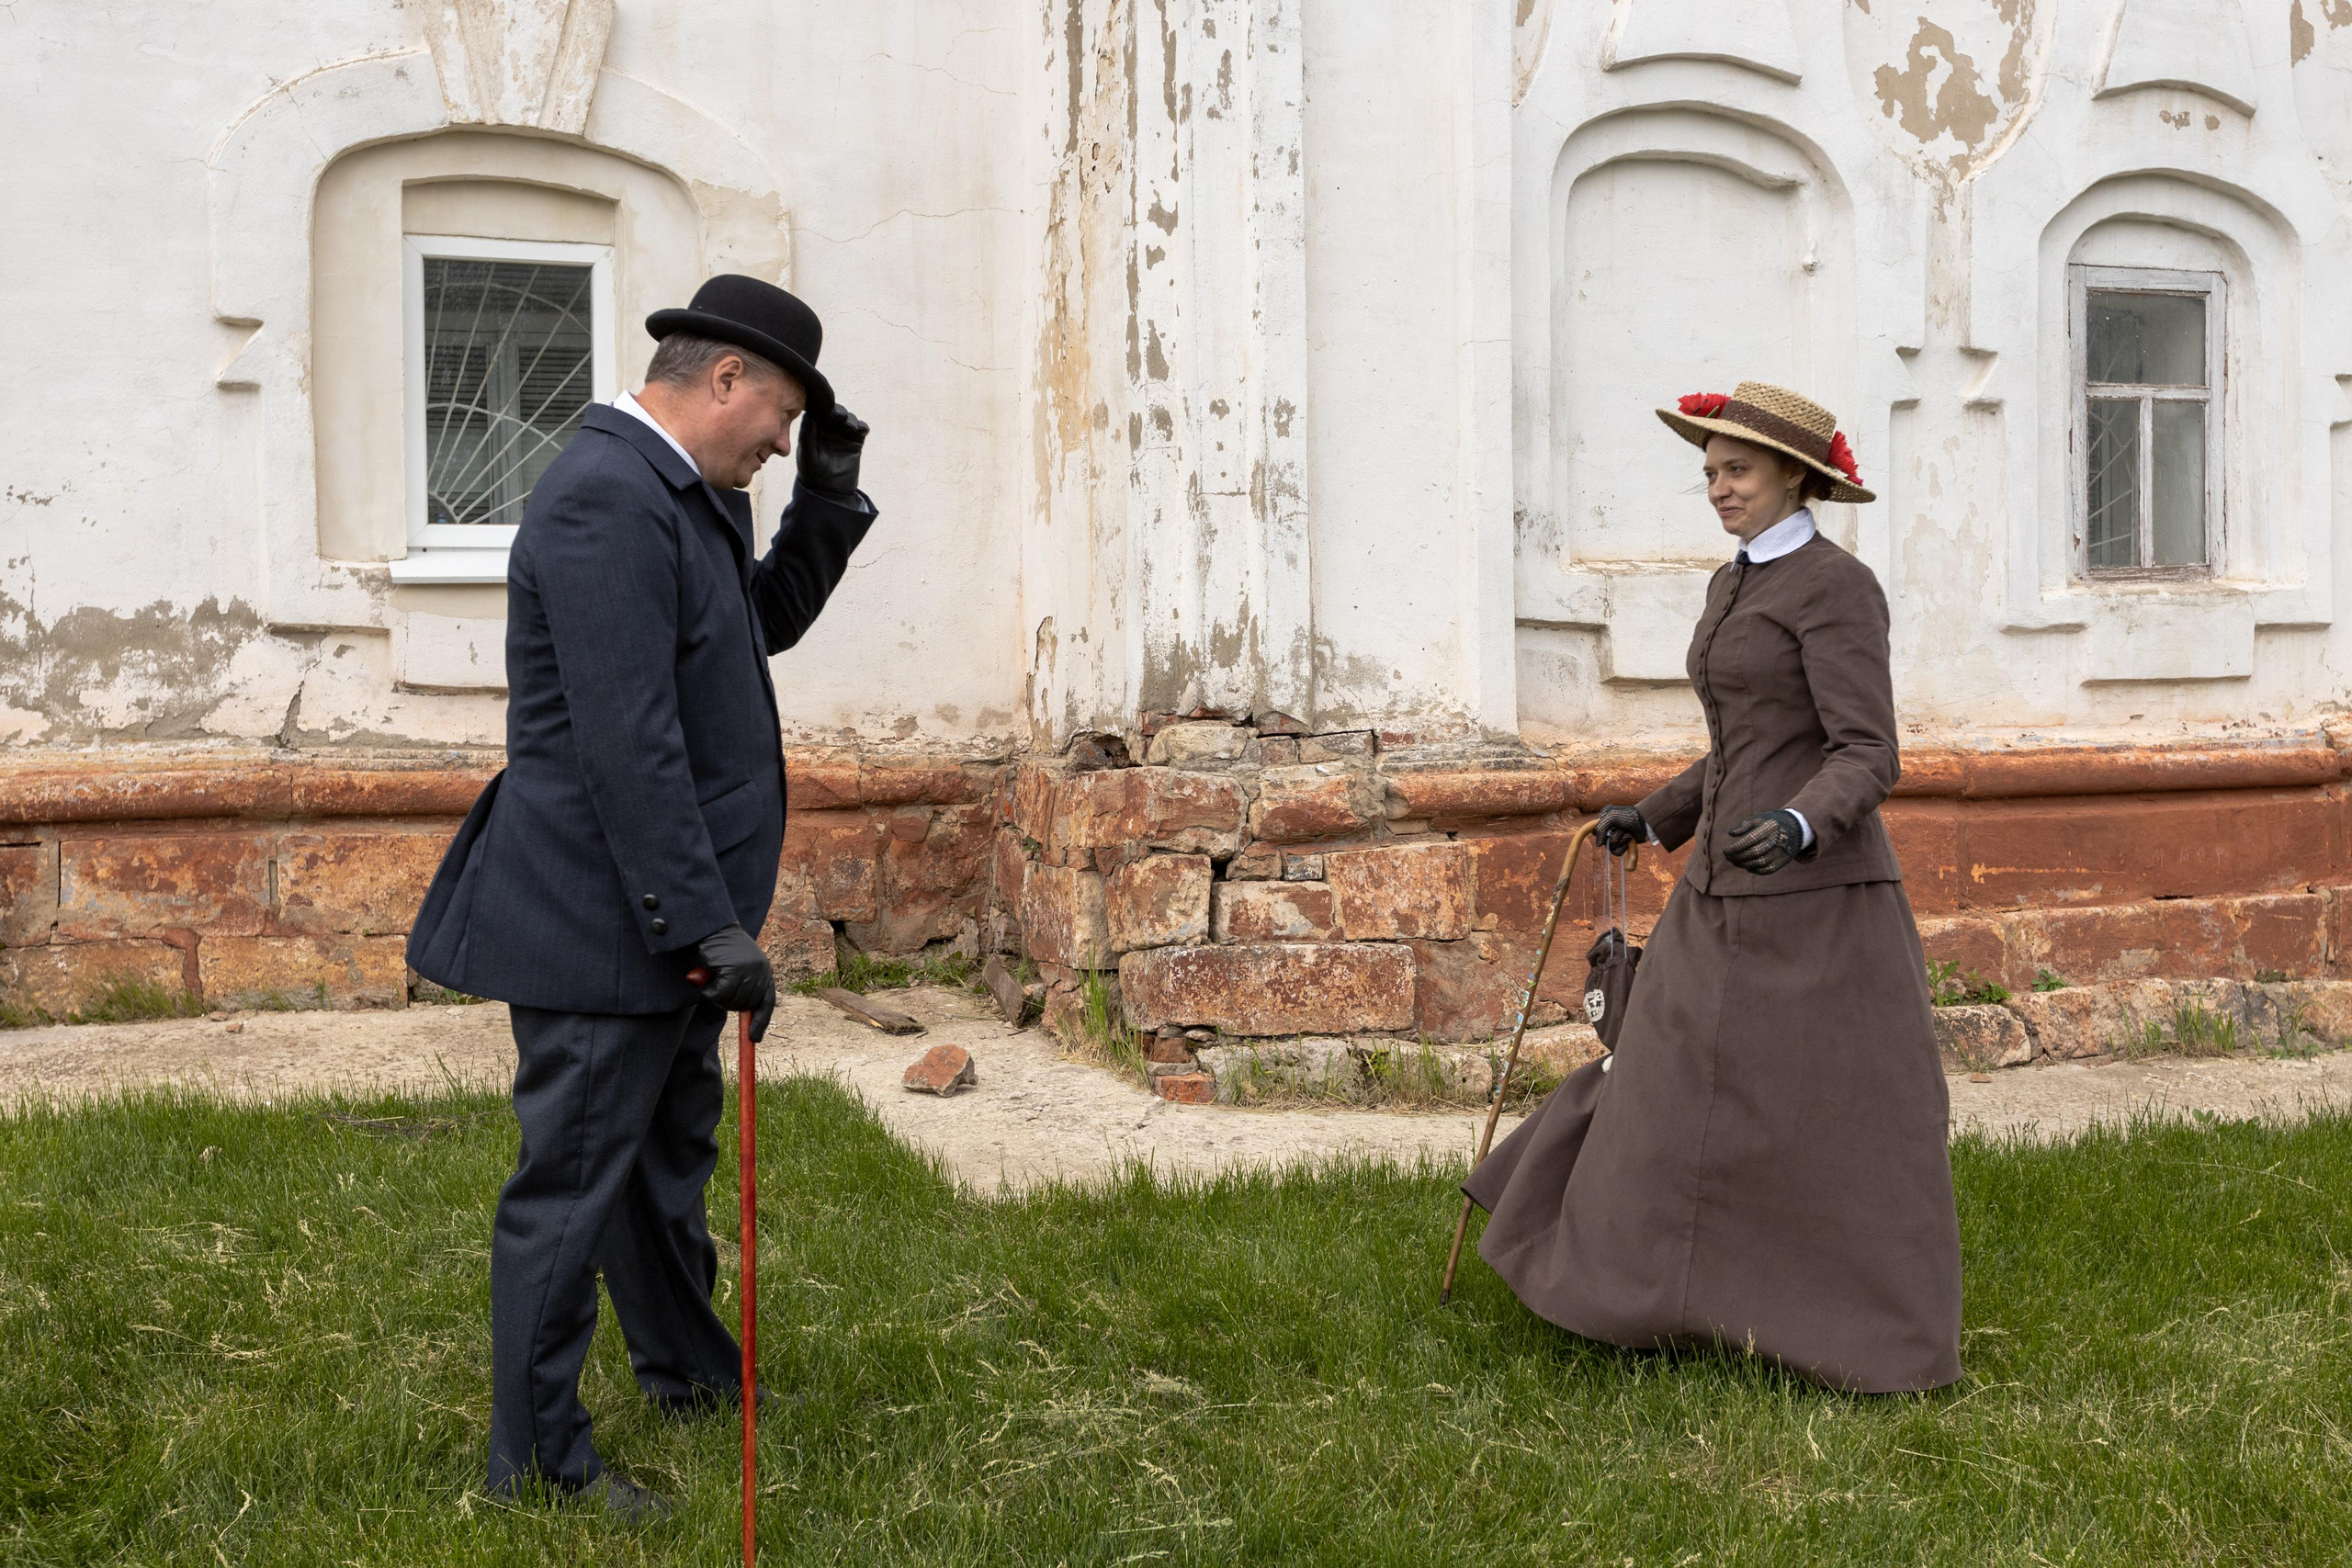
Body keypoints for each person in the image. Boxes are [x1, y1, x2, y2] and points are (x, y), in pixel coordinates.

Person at [406, 275, 879, 1517]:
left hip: (651, 920)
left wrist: (826, 503)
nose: (781, 445)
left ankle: (688, 1375)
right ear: (724, 378)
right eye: (783, 422)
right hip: (600, 920)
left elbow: (756, 624)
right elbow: (628, 740)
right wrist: (703, 923)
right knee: (572, 1189)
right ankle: (536, 1465)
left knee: (659, 1168)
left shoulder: (679, 492)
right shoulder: (606, 498)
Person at [1463, 382, 1962, 1393]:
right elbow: (1745, 744)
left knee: (1809, 1115)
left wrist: (1798, 824)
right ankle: (1637, 1291)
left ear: (1796, 476)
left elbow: (1868, 751)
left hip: (1817, 906)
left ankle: (1847, 1327)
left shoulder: (1837, 588)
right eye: (1709, 473)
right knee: (1661, 1090)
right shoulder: (1731, 583)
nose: (1718, 488)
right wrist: (1654, 815)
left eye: (1736, 470)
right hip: (1718, 891)